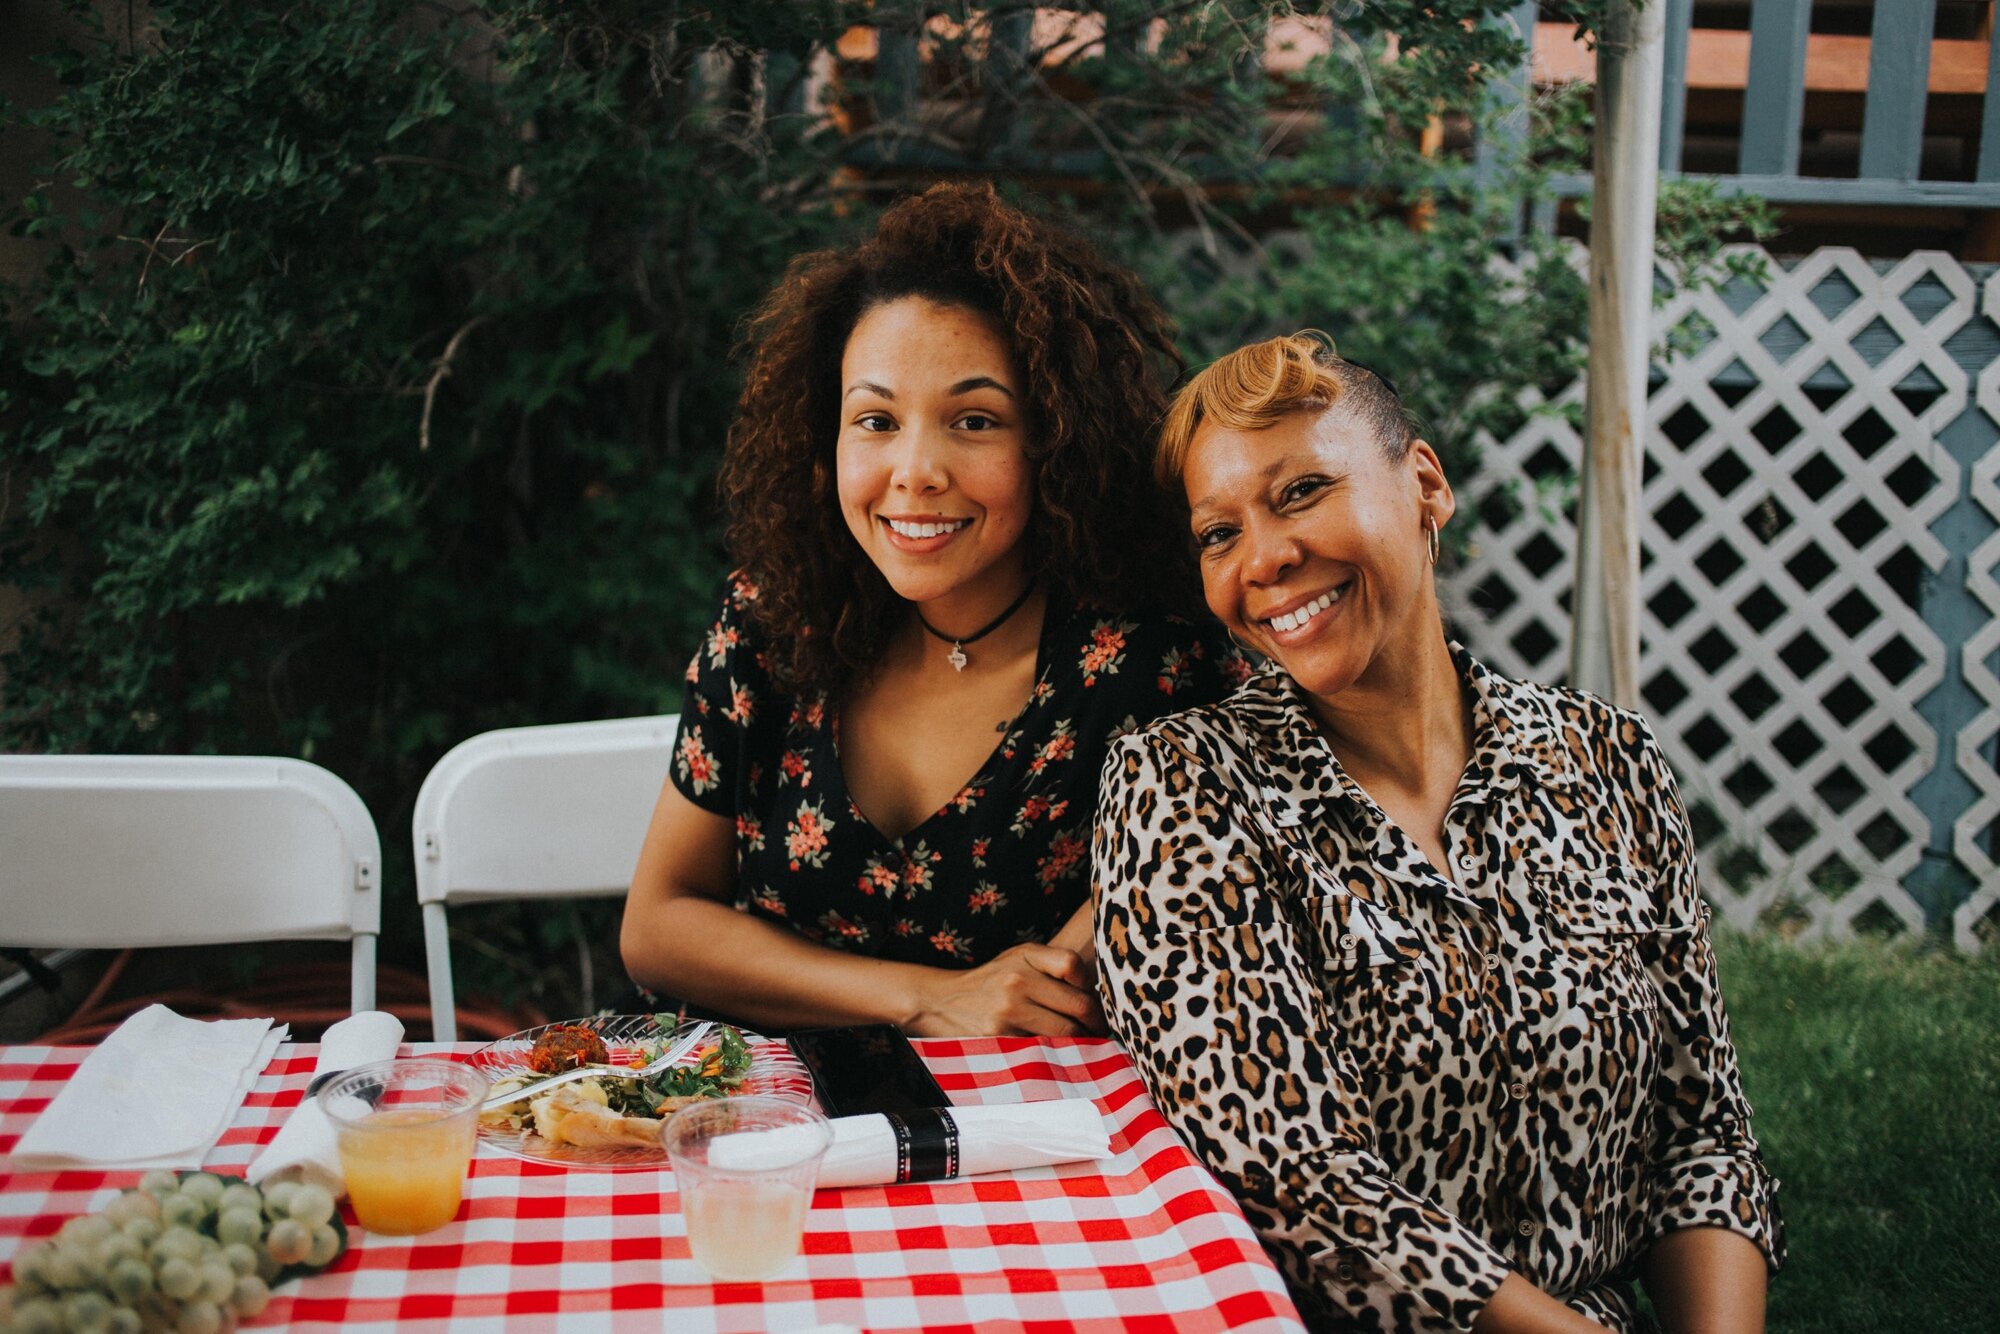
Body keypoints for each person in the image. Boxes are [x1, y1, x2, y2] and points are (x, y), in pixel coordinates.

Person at [1092, 332, 1784, 1332]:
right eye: (1216, 532)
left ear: (1424, 483)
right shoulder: (1182, 787)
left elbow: (1701, 1134)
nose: (1264, 557)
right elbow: (1304, 1186)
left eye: (1298, 492)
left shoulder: (1606, 760)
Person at [620, 183, 1245, 1038]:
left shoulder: (1147, 664)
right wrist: (926, 996)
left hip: (1012, 1141)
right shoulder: (772, 622)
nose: (915, 470)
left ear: (1054, 441)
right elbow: (657, 929)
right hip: (743, 1122)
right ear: (824, 436)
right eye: (875, 419)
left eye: (975, 420)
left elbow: (1082, 980)